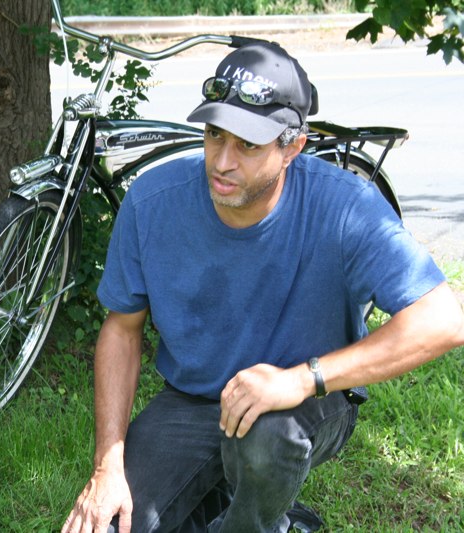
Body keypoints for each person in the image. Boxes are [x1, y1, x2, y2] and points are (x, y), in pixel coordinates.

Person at [62, 42, 464, 532]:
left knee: (267, 439)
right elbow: (122, 330)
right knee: (109, 525)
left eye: (248, 144)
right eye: (214, 135)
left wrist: (299, 379)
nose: (223, 162)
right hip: (193, 400)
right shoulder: (152, 201)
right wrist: (108, 466)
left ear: (292, 145)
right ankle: (247, 509)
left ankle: (255, 522)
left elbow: (442, 320)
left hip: (305, 400)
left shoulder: (345, 207)